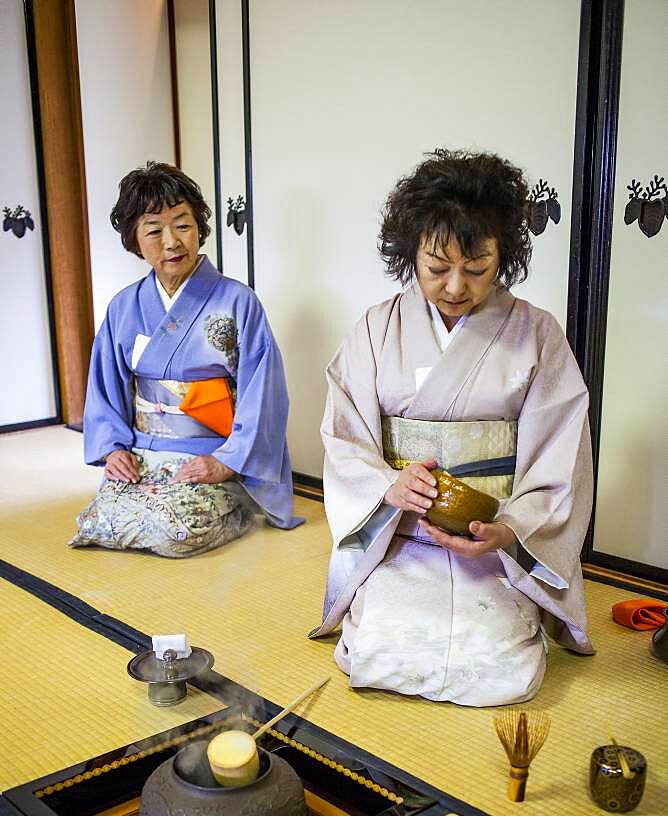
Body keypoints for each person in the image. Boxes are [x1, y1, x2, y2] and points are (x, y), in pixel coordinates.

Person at [310, 149, 594, 706]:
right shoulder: (375, 328)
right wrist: (386, 487)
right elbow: (344, 437)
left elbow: (560, 454)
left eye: (478, 267)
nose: (456, 286)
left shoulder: (536, 333)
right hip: (402, 536)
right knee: (381, 653)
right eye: (437, 267)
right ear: (409, 252)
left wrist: (510, 531)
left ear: (502, 255)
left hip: (493, 546)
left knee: (499, 666)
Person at [70, 161, 301, 558]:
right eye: (155, 230)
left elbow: (263, 394)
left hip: (214, 454)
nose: (172, 242)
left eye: (182, 224)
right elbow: (105, 389)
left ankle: (240, 504)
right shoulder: (125, 307)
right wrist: (114, 450)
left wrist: (226, 462)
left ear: (199, 228)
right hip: (144, 451)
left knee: (174, 533)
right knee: (97, 524)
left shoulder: (237, 302)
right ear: (134, 240)